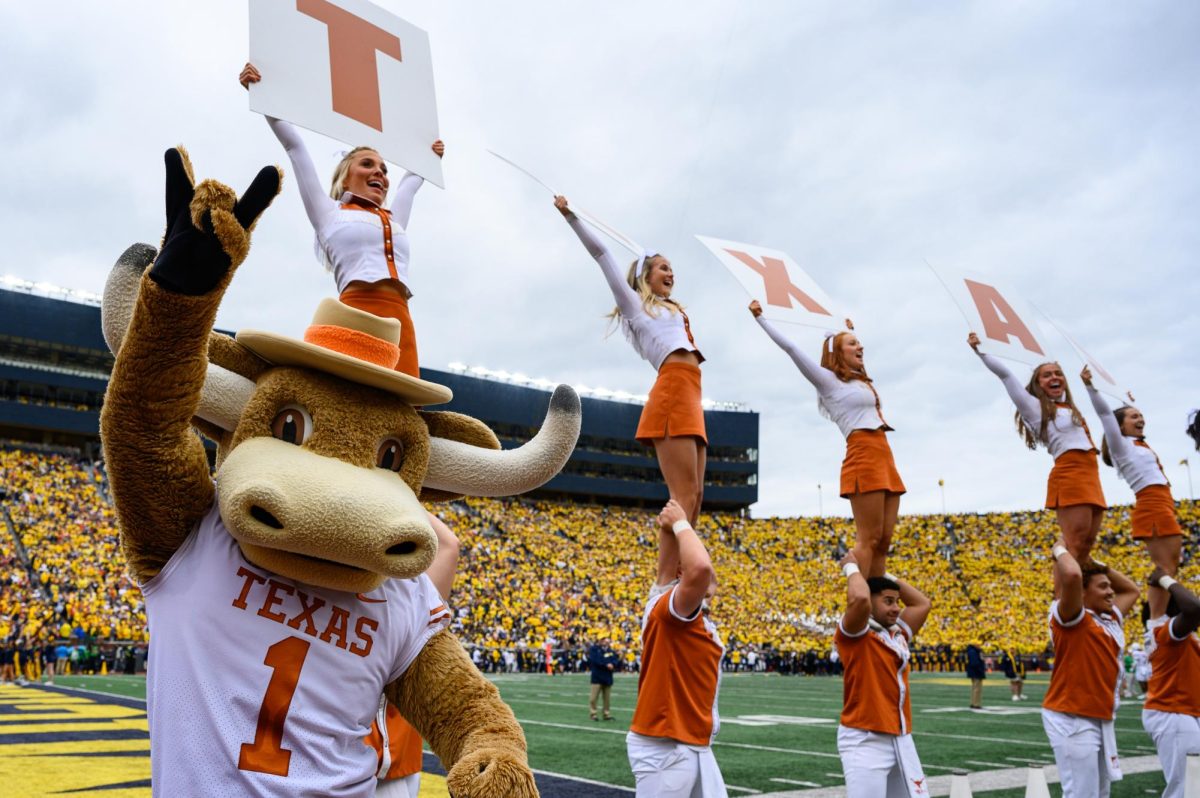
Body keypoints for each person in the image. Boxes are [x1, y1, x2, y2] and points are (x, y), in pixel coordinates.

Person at [239, 62, 442, 378]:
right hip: (353, 312)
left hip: (401, 323)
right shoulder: (328, 213)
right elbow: (295, 147)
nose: (380, 172)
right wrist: (263, 93)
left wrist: (430, 151)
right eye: (367, 164)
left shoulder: (394, 218)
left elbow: (411, 183)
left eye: (384, 169)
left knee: (397, 412)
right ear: (346, 176)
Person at [554, 197, 707, 555]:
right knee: (682, 495)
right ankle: (667, 582)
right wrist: (571, 216)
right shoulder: (635, 307)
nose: (671, 274)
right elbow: (602, 255)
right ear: (645, 276)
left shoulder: (674, 311)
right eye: (663, 268)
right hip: (672, 390)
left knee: (696, 495)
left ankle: (683, 571)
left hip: (691, 392)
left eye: (672, 269)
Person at [751, 301, 904, 577]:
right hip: (863, 454)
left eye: (860, 343)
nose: (860, 348)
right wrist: (762, 319)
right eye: (853, 344)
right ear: (837, 352)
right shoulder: (828, 382)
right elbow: (792, 349)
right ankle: (855, 594)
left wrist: (845, 329)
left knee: (883, 541)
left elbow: (848, 344)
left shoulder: (861, 381)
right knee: (869, 539)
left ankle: (875, 605)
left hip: (884, 453)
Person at [968, 334, 1105, 563]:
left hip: (1091, 473)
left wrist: (1090, 385)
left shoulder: (1069, 408)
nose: (1054, 377)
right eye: (1047, 375)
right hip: (1070, 473)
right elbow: (1006, 376)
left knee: (1086, 546)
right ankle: (1061, 597)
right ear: (1038, 383)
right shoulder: (1035, 408)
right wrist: (981, 351)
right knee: (1074, 542)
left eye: (1058, 373)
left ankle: (1078, 594)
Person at [627, 499, 727, 797]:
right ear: (681, 573)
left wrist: (675, 523)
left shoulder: (687, 614)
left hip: (688, 744)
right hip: (666, 747)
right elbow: (700, 569)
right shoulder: (672, 609)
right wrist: (681, 522)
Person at [367, 514, 461, 798]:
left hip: (372, 757)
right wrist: (404, 494)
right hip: (385, 758)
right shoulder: (410, 605)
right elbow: (449, 544)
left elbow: (449, 545)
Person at [1084, 369, 1185, 619]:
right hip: (1151, 502)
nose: (1140, 419)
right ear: (1120, 426)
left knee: (1171, 566)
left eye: (1140, 415)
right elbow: (1105, 414)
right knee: (1166, 567)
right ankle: (1155, 621)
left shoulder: (1139, 445)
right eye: (1133, 416)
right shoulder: (1122, 446)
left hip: (1162, 500)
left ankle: (1158, 618)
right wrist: (1091, 387)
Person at [1041, 541, 1139, 798]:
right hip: (1072, 716)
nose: (1111, 592)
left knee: (1099, 793)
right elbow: (1072, 575)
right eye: (1103, 587)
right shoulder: (1072, 617)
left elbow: (1131, 590)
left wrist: (1096, 565)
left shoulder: (1109, 618)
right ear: (1083, 593)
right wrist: (1061, 550)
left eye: (1109, 586)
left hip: (1098, 717)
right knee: (1081, 794)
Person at [834, 552, 932, 798]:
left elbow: (922, 603)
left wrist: (882, 572)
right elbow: (859, 598)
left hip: (900, 737)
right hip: (865, 739)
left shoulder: (897, 634)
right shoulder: (857, 634)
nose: (897, 608)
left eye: (897, 602)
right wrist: (852, 568)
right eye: (888, 601)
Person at [1141, 568, 1200, 798]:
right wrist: (1165, 579)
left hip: (1181, 709)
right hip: (1173, 710)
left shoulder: (1176, 636)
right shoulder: (1164, 632)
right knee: (1186, 788)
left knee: (1192, 785)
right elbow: (1194, 608)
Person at [588, 637, 619, 721]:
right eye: (603, 639)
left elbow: (615, 660)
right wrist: (606, 664)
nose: (605, 641)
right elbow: (596, 660)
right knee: (593, 698)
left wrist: (613, 664)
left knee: (607, 699)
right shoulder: (594, 649)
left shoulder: (610, 651)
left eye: (606, 640)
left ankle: (606, 714)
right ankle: (593, 714)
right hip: (597, 677)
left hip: (607, 677)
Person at [965, 643, 985, 710]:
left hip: (974, 672)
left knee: (975, 688)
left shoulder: (972, 651)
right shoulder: (973, 652)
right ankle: (976, 704)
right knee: (977, 689)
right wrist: (980, 670)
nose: (979, 646)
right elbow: (975, 663)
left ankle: (974, 703)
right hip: (976, 672)